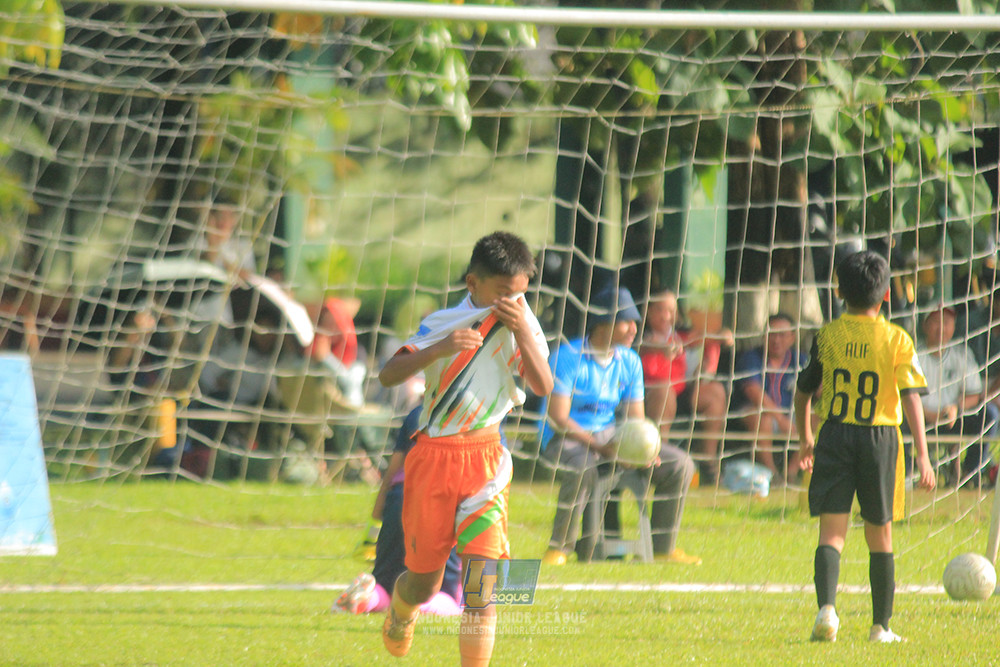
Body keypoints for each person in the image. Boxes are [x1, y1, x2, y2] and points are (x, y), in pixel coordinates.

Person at [376, 231, 553, 665]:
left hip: (487, 462)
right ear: (473, 284)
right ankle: (401, 610)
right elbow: (388, 374)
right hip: (433, 460)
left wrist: (523, 334)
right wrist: (439, 349)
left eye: (521, 294)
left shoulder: (522, 324)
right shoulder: (443, 324)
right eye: (504, 293)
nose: (514, 302)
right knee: (425, 584)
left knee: (481, 588)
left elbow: (543, 385)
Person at [794, 249, 936, 644]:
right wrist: (923, 454)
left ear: (840, 291)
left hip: (835, 435)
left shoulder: (829, 335)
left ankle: (827, 609)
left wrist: (806, 436)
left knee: (832, 534)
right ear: (886, 294)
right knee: (881, 536)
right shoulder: (897, 339)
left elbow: (803, 392)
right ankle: (881, 627)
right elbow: (911, 397)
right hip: (879, 440)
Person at [540, 285, 700, 566]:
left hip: (610, 437)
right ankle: (560, 548)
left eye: (636, 323)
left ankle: (664, 548)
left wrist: (642, 450)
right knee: (583, 466)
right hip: (566, 440)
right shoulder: (567, 357)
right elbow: (558, 418)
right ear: (604, 323)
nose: (634, 330)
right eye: (627, 322)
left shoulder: (629, 361)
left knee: (680, 464)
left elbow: (636, 420)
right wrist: (600, 447)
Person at [334, 406, 464, 617]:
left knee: (385, 584)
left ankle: (368, 597)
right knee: (450, 595)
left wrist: (372, 529)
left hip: (399, 499)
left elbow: (390, 474)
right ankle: (419, 606)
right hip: (442, 502)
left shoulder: (416, 413)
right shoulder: (473, 414)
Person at [640, 289, 729, 485]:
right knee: (664, 390)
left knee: (715, 392)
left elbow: (706, 337)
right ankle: (660, 455)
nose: (666, 316)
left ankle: (708, 461)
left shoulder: (681, 336)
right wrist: (661, 348)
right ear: (648, 311)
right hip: (650, 396)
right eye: (660, 310)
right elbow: (644, 346)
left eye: (670, 310)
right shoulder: (640, 336)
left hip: (682, 393)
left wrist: (723, 336)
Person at [916, 306, 998, 487]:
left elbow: (975, 394)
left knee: (989, 414)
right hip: (921, 420)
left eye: (947, 323)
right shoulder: (914, 355)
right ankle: (908, 472)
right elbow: (906, 395)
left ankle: (971, 473)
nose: (942, 328)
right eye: (937, 322)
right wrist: (928, 415)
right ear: (925, 325)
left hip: (953, 419)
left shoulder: (962, 354)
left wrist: (956, 408)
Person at [733, 312, 808, 483]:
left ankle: (792, 473)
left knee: (817, 417)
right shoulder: (751, 358)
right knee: (763, 418)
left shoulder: (801, 360)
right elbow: (754, 392)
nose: (776, 340)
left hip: (792, 415)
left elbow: (818, 390)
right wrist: (781, 420)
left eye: (782, 335)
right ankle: (772, 474)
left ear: (792, 337)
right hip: (756, 413)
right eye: (772, 334)